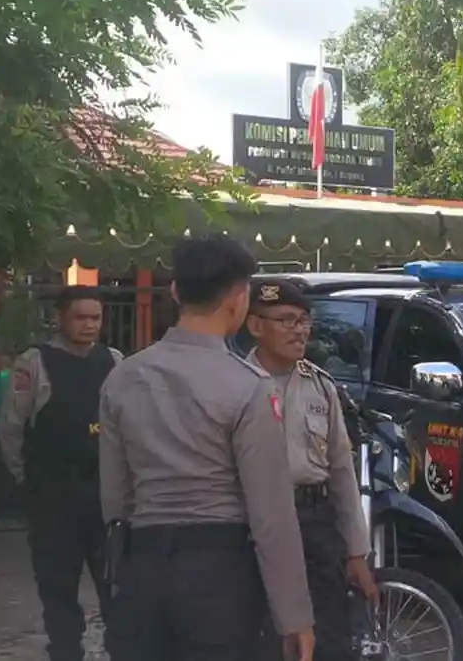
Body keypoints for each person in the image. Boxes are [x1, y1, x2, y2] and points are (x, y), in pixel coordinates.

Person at [98, 236, 315, 661]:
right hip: (218, 579)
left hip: (141, 570)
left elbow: (114, 498)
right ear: (239, 299)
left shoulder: (123, 378)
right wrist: (294, 617)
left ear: (176, 292)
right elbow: (271, 515)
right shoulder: (249, 388)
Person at [242, 279, 377, 661]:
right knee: (260, 638)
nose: (299, 330)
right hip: (253, 523)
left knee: (327, 637)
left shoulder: (322, 387)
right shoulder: (234, 385)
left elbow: (341, 473)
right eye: (286, 321)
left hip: (314, 524)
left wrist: (356, 553)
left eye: (304, 321)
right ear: (255, 325)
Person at [0, 285, 122, 661]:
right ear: (60, 318)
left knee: (118, 590)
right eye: (80, 317)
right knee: (58, 591)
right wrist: (30, 480)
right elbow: (11, 429)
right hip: (54, 496)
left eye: (95, 317)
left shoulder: (114, 361)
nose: (89, 325)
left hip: (105, 497)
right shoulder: (34, 363)